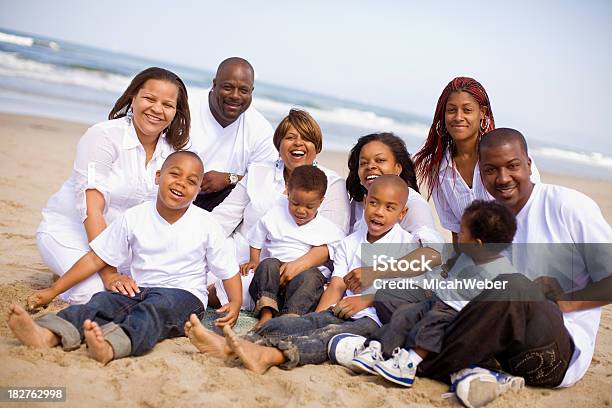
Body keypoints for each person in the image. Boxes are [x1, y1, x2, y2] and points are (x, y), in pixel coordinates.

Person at [400, 129, 612, 407]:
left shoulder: (567, 206)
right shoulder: (487, 219)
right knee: (418, 298)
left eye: (512, 166)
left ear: (529, 165)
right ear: (481, 174)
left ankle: (409, 364)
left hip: (555, 352)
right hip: (495, 343)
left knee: (514, 286)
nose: (502, 178)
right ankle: (477, 375)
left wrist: (565, 302)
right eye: (490, 170)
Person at [183, 175, 436, 374]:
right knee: (297, 324)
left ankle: (268, 356)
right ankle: (234, 345)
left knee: (325, 337)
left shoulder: (408, 245)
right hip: (340, 309)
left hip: (374, 320)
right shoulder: (351, 242)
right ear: (365, 201)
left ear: (402, 214)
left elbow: (412, 291)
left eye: (390, 207)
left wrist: (367, 299)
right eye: (374, 203)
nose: (379, 212)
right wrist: (317, 316)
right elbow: (336, 285)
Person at [9, 151, 242, 365]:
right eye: (175, 174)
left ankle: (111, 345)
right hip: (138, 289)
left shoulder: (206, 224)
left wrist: (235, 302)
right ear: (158, 176)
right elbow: (96, 259)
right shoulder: (135, 216)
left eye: (192, 181)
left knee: (156, 309)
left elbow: (228, 270)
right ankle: (49, 334)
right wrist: (53, 291)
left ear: (199, 188)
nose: (182, 183)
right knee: (101, 302)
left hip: (184, 296)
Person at [36, 67, 191, 304]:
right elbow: (92, 209)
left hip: (123, 247)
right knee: (92, 293)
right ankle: (65, 276)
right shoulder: (103, 136)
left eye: (168, 104)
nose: (157, 109)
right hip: (73, 231)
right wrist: (109, 273)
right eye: (149, 98)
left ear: (176, 111)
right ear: (133, 97)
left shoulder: (172, 154)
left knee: (153, 290)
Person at [341, 200, 520, 390]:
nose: (458, 235)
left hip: (455, 315)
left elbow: (468, 310)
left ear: (477, 244)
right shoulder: (470, 255)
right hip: (438, 300)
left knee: (431, 324)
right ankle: (377, 349)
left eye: (462, 232)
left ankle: (410, 362)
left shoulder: (496, 273)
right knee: (405, 314)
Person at [211, 109, 350, 309]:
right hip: (243, 256)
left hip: (295, 267)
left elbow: (332, 243)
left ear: (316, 146)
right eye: (290, 137)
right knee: (194, 274)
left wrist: (295, 267)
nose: (298, 143)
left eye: (307, 139)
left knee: (218, 292)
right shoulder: (259, 172)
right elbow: (223, 218)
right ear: (279, 144)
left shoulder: (332, 183)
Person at [413, 77, 540, 244]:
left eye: (467, 110)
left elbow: (533, 213)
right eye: (451, 110)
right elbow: (457, 233)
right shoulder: (439, 170)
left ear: (482, 112)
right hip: (475, 262)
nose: (458, 117)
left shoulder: (507, 156)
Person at [244, 165, 345, 326]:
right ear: (287, 193)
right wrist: (254, 260)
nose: (301, 210)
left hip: (304, 279)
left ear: (321, 202)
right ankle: (266, 312)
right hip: (275, 275)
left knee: (311, 277)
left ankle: (291, 317)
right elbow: (257, 236)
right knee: (267, 264)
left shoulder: (329, 230)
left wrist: (331, 278)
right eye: (295, 203)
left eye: (309, 206)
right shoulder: (275, 215)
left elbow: (339, 257)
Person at [188, 57, 277, 210]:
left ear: (251, 92)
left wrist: (229, 178)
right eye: (228, 87)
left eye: (243, 90)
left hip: (221, 206)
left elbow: (264, 183)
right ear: (214, 84)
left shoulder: (261, 130)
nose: (235, 96)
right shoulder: (186, 107)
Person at [346, 132, 438, 241]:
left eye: (380, 160)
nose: (370, 166)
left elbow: (433, 251)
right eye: (363, 163)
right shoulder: (358, 201)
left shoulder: (412, 203)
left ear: (397, 169)